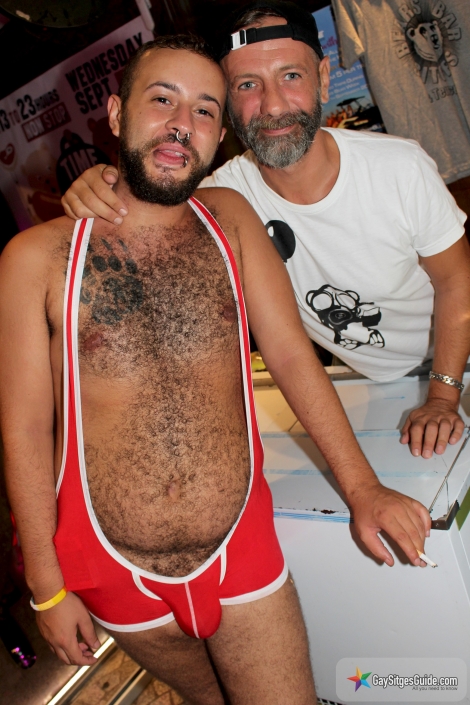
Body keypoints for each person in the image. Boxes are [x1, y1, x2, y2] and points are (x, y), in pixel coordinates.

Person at [0, 35, 431, 705]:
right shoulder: (35, 258)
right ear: (115, 114)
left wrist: (363, 488)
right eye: (162, 100)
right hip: (109, 567)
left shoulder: (231, 219)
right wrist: (47, 589)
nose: (182, 124)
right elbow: (25, 427)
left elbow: (291, 355)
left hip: (241, 546)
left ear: (220, 134)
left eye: (204, 110)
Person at [63, 0, 470, 462]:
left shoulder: (399, 167)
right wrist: (100, 184)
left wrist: (443, 394)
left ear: (323, 78)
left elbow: (457, 279)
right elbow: (146, 202)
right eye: (247, 85)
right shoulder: (223, 198)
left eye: (290, 76)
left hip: (456, 362)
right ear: (227, 106)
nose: (273, 105)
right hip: (370, 383)